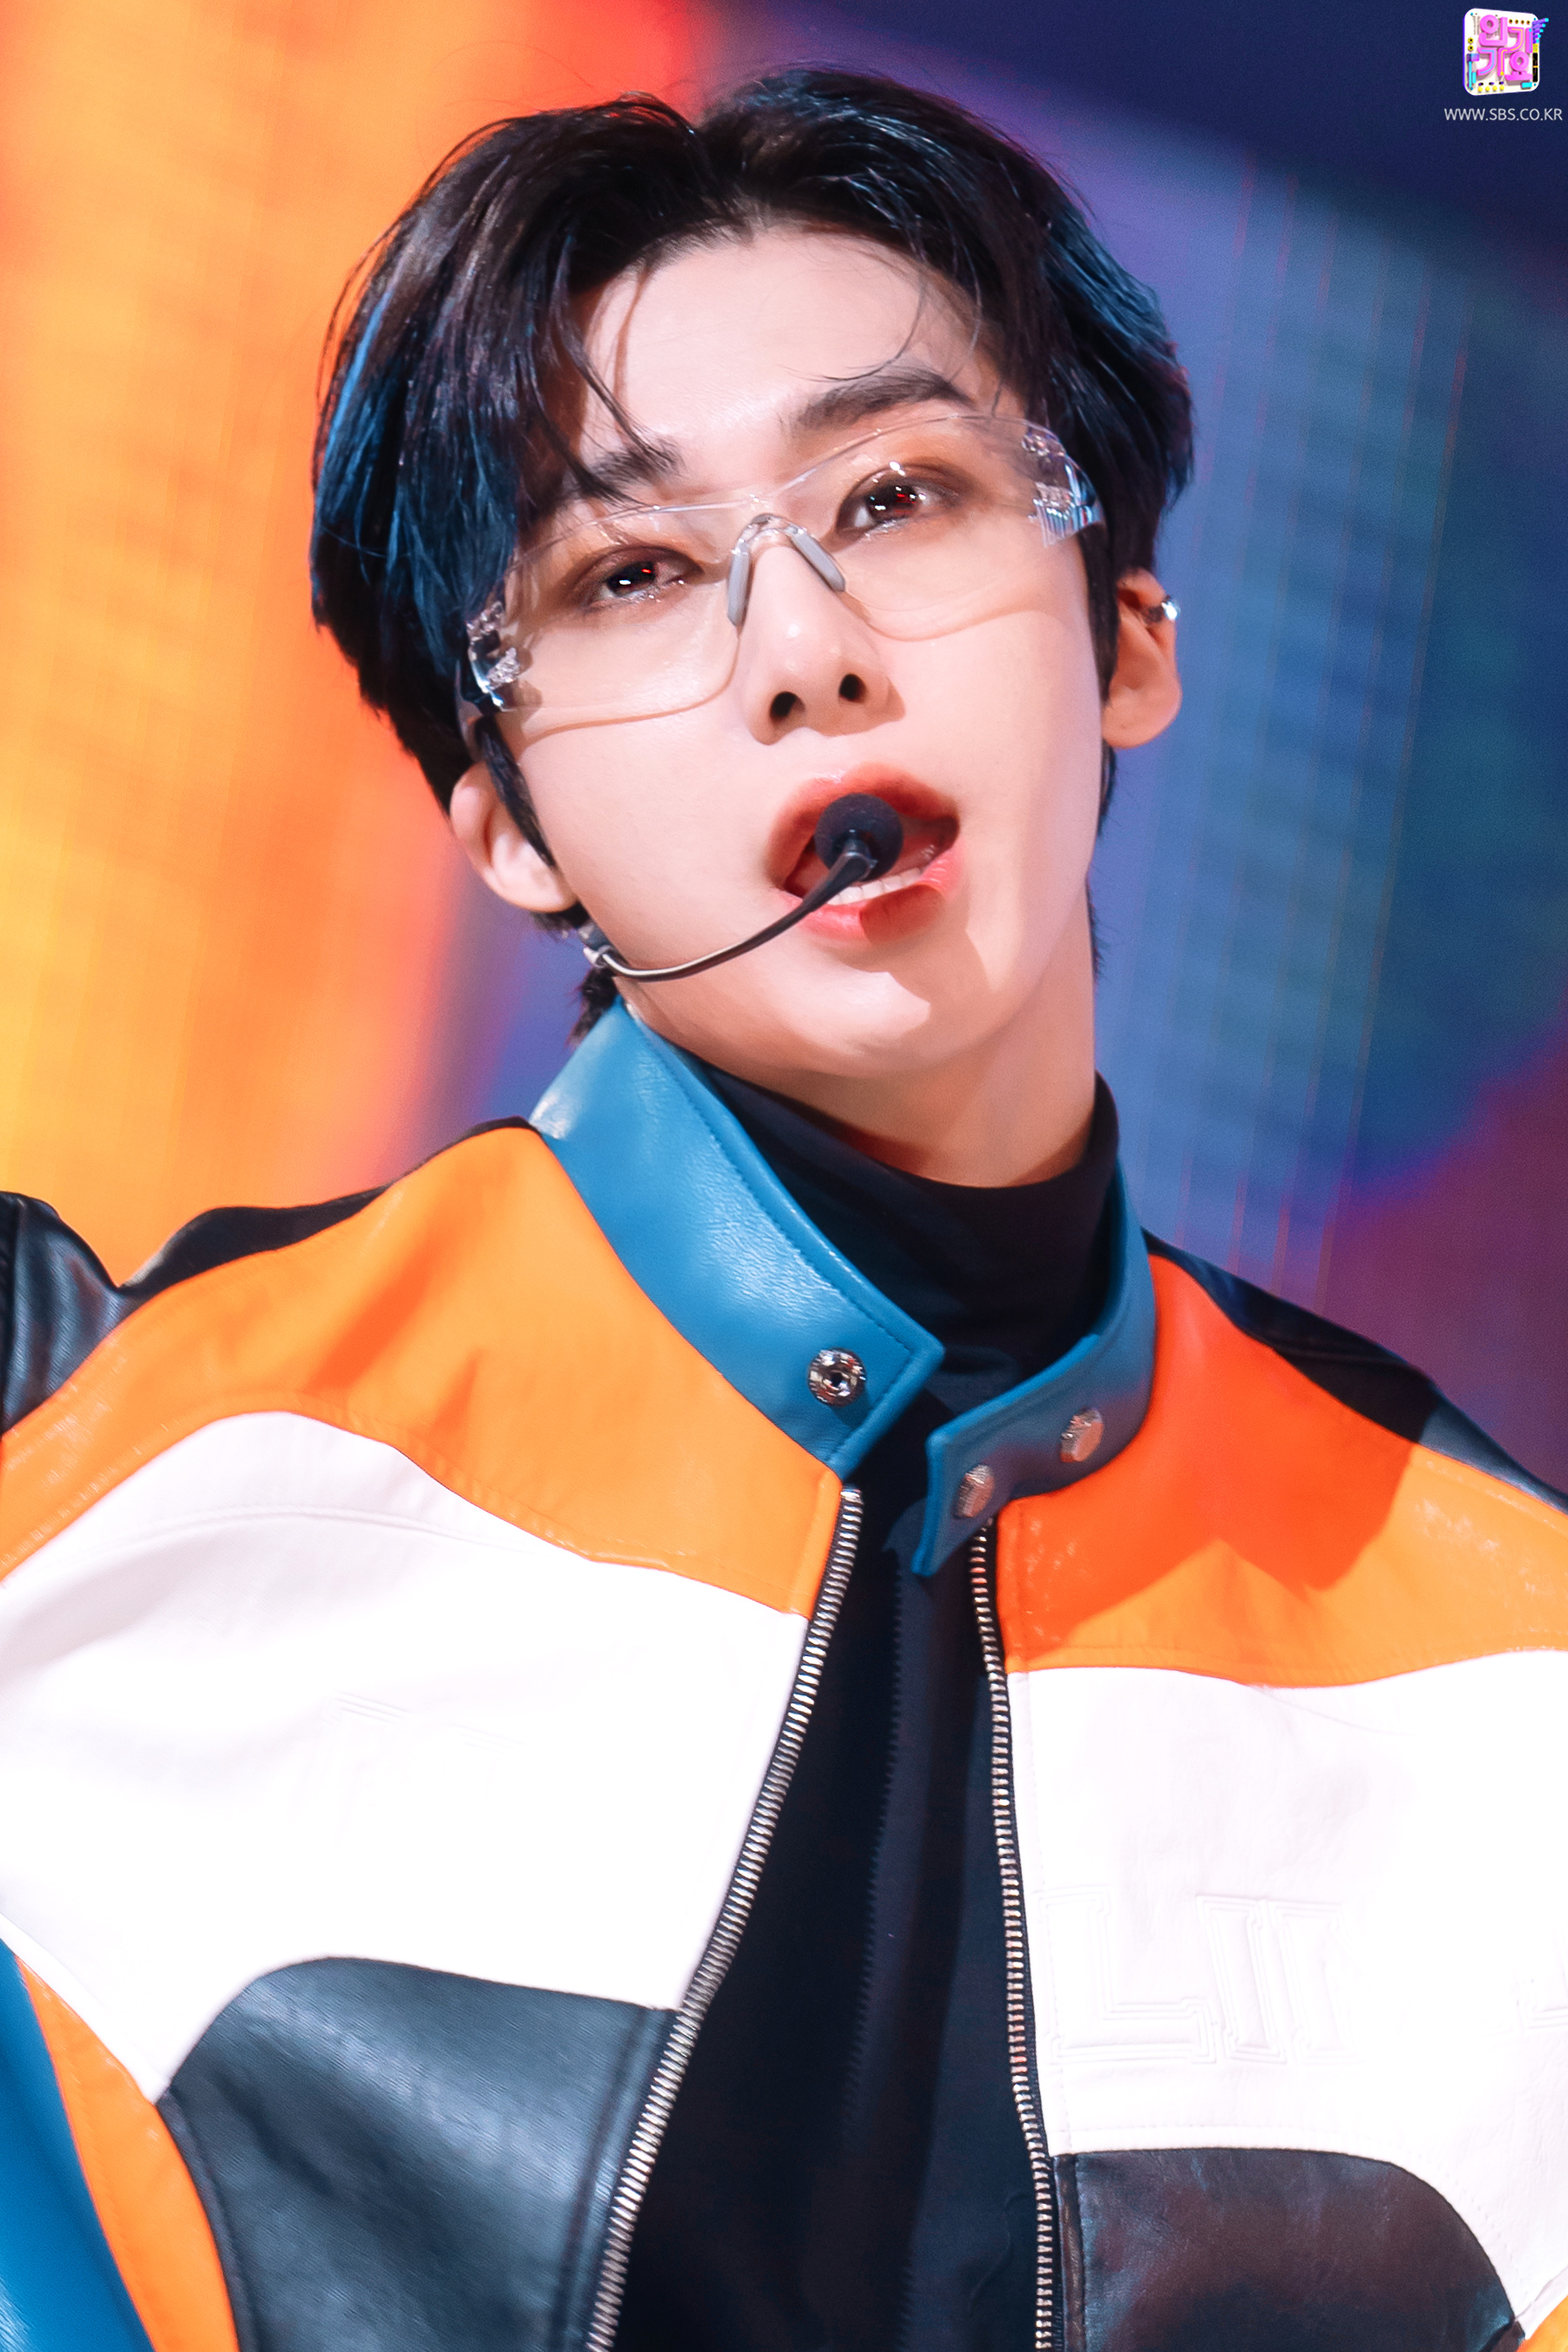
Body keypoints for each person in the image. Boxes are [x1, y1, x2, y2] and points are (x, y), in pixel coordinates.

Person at [0, 65, 1565, 2352]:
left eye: (900, 496)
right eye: (631, 574)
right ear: (506, 819)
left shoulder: (1516, 1685)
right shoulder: (68, 1455)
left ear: (1128, 634)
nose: (807, 650)